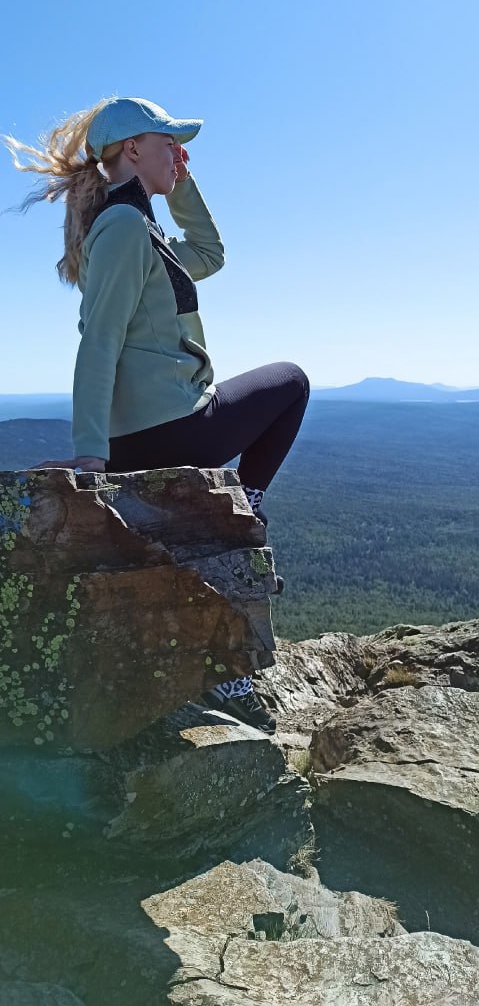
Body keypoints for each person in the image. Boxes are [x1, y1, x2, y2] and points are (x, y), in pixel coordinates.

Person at [3, 96, 310, 734]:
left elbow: (211, 252)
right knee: (291, 382)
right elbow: (99, 341)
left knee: (284, 385)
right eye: (166, 141)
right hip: (167, 428)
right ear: (131, 151)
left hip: (157, 429)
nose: (178, 150)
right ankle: (244, 503)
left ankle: (238, 508)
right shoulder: (121, 228)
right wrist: (91, 453)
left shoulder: (140, 228)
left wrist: (184, 186)